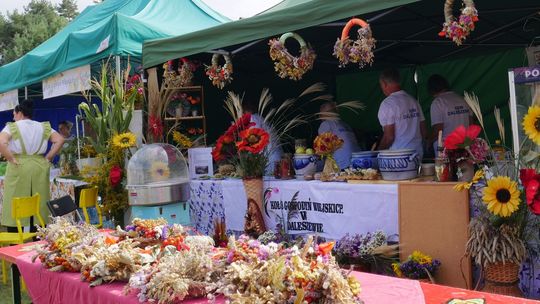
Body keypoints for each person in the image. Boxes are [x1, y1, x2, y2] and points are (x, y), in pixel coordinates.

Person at [0, 100, 64, 232]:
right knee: (39, 201)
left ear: (20, 113)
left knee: (15, 200)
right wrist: (49, 157)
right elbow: (60, 139)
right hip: (39, 164)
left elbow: (2, 141)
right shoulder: (42, 126)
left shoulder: (13, 127)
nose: (13, 117)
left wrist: (10, 158)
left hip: (19, 164)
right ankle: (38, 237)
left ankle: (16, 241)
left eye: (14, 114)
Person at [377, 68, 426, 159]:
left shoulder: (387, 104)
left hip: (399, 158)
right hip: (417, 154)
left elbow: (389, 137)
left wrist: (378, 153)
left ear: (384, 84)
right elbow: (423, 130)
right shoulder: (413, 101)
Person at [428, 74, 473, 151]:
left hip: (447, 148)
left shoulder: (438, 102)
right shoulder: (462, 99)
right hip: (465, 145)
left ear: (432, 89)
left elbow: (438, 130)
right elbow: (471, 123)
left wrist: (429, 141)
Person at [242, 100, 283, 175]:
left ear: (244, 110)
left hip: (269, 157)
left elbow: (254, 140)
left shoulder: (253, 119)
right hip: (273, 154)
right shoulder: (260, 118)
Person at [318, 101, 360, 170]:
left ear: (321, 115)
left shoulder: (325, 124)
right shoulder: (346, 125)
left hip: (343, 165)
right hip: (359, 162)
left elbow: (323, 149)